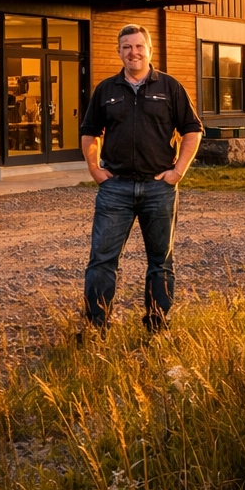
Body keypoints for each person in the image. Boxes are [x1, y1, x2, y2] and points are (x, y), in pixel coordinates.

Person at [79, 23, 203, 332]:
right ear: (119, 52)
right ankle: (97, 326)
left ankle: (157, 325)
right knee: (102, 261)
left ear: (149, 50)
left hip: (158, 188)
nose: (133, 52)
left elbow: (193, 130)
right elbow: (89, 133)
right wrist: (95, 169)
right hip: (115, 188)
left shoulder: (170, 87)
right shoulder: (106, 90)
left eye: (138, 46)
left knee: (160, 261)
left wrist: (178, 172)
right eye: (126, 47)